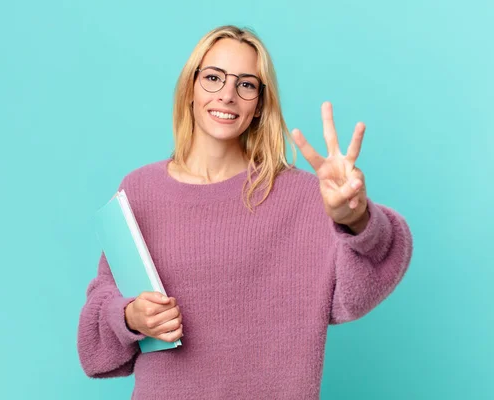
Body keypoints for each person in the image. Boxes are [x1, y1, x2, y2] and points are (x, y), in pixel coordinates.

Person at [77, 25, 413, 399]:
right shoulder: (139, 189)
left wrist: (355, 217)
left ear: (259, 105)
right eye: (213, 78)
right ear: (190, 89)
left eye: (246, 84)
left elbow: (372, 273)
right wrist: (129, 317)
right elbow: (97, 330)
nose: (227, 95)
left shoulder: (302, 195)